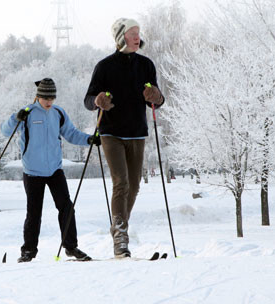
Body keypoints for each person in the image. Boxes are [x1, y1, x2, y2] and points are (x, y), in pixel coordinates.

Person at [84, 18, 165, 258]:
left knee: (135, 184)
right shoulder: (104, 66)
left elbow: (157, 101)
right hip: (110, 131)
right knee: (121, 182)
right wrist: (98, 100)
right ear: (121, 37)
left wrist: (157, 96)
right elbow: (88, 99)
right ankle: (120, 238)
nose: (137, 36)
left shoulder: (146, 65)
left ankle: (119, 227)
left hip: (137, 132)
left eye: (138, 32)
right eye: (132, 33)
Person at [1, 78, 100, 263]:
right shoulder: (27, 113)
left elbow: (71, 133)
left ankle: (71, 247)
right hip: (32, 171)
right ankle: (28, 251)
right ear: (38, 96)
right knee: (34, 212)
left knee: (66, 207)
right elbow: (5, 131)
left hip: (55, 169)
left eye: (52, 98)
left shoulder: (58, 113)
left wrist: (89, 140)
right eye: (46, 98)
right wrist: (15, 118)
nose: (49, 102)